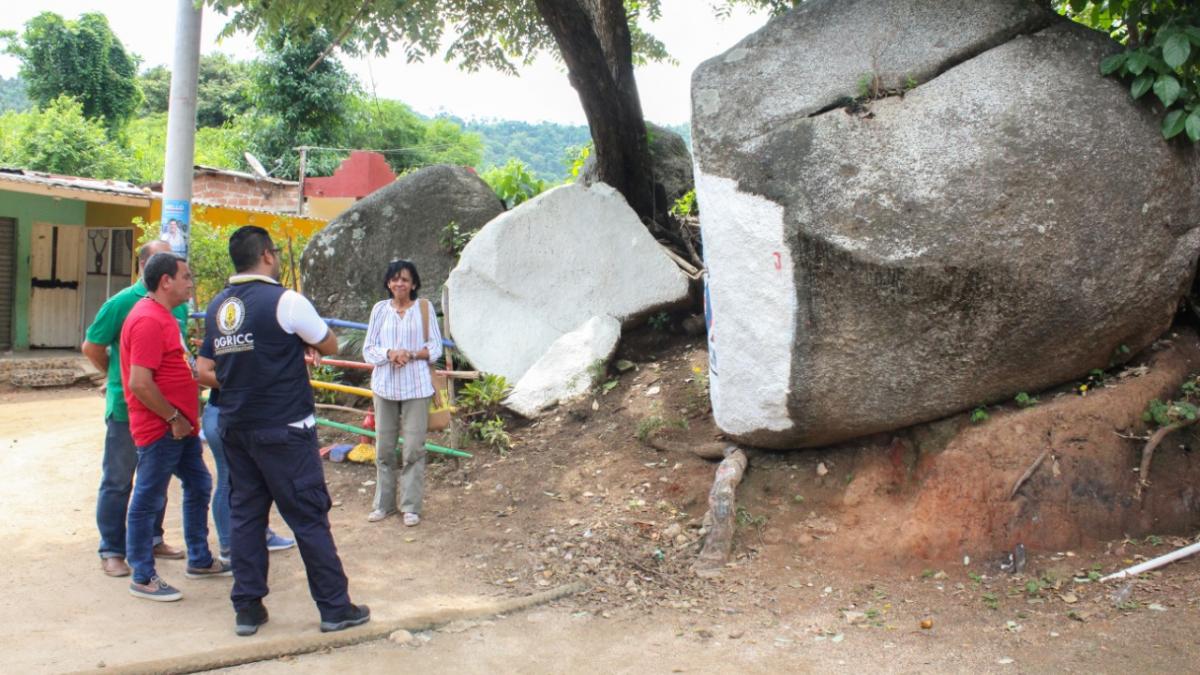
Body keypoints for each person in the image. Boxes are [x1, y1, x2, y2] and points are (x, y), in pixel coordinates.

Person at [197, 225, 368, 636]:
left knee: (246, 517)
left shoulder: (219, 306)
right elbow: (329, 344)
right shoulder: (286, 301)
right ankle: (334, 607)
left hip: (236, 426)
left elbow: (207, 367)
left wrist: (247, 379)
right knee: (308, 517)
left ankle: (248, 608)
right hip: (285, 428)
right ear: (268, 256)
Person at [121, 253, 230, 601]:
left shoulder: (164, 317)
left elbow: (178, 370)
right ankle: (142, 574)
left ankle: (198, 558)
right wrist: (173, 418)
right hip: (162, 429)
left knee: (199, 483)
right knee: (148, 498)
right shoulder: (148, 320)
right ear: (165, 281)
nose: (190, 282)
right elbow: (139, 382)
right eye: (185, 276)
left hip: (179, 428)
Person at [82, 240, 187, 578]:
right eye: (163, 261)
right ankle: (112, 549)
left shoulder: (177, 305)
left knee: (155, 479)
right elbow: (92, 346)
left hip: (165, 410)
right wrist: (116, 374)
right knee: (118, 480)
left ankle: (153, 538)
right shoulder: (122, 304)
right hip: (128, 410)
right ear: (145, 266)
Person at [362, 259, 443, 526]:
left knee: (413, 449)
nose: (400, 284)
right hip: (385, 386)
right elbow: (368, 349)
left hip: (416, 387)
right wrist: (389, 353)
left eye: (405, 279)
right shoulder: (379, 310)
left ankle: (411, 506)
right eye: (395, 279)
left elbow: (436, 347)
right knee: (384, 448)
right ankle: (383, 504)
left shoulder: (423, 308)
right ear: (388, 283)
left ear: (414, 284)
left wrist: (410, 354)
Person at [201, 388, 296, 562]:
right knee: (227, 480)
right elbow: (203, 374)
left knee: (256, 478)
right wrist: (248, 379)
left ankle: (261, 534)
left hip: (246, 414)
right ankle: (229, 545)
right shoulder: (218, 361)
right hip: (225, 413)